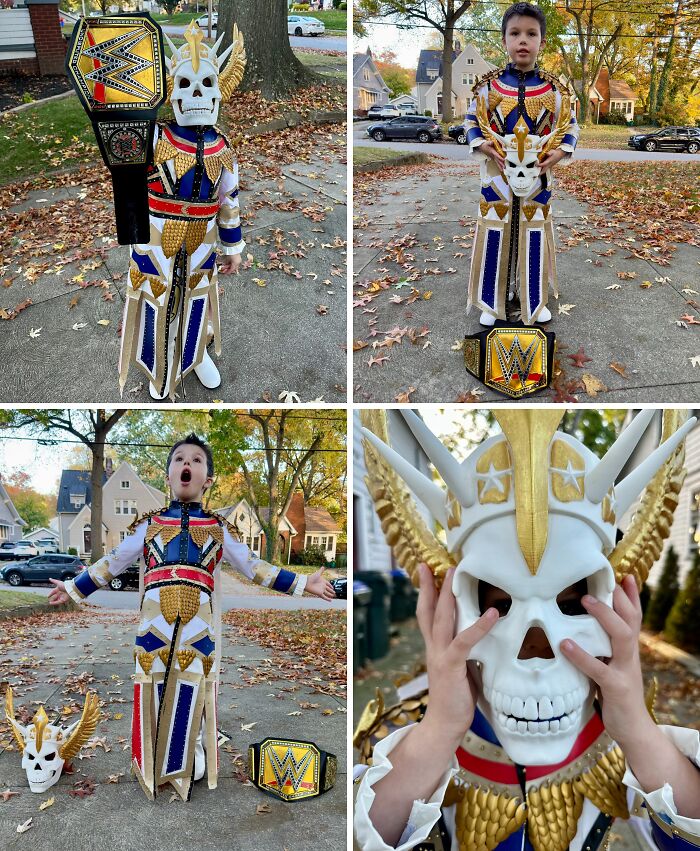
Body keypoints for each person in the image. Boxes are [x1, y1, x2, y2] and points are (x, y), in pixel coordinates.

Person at [355, 409, 700, 850]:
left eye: (573, 603)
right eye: (499, 605)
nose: (536, 654)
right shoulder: (401, 737)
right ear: (451, 607)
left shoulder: (621, 746)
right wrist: (439, 729)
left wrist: (635, 727)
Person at [48, 433, 335, 801]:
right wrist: (74, 588)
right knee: (151, 682)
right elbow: (113, 561)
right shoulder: (147, 525)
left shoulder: (218, 528)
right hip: (153, 623)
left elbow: (254, 567)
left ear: (208, 480)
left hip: (199, 625)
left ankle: (189, 757)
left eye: (196, 460)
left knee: (194, 685)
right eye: (179, 459)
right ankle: (149, 759)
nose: (187, 464)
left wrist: (302, 582)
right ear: (168, 476)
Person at [119, 22, 247, 400]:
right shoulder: (153, 137)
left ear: (220, 91)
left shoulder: (223, 146)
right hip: (155, 235)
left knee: (196, 296)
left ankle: (196, 354)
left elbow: (229, 199)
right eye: (185, 84)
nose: (196, 94)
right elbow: (122, 165)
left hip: (204, 239)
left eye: (206, 84)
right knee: (158, 297)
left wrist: (233, 246)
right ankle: (158, 369)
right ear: (169, 93)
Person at [464, 2, 578, 327]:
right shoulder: (487, 88)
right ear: (504, 40)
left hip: (538, 177)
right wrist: (483, 145)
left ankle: (534, 300)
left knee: (535, 232)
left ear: (542, 41)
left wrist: (561, 152)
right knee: (494, 232)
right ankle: (492, 301)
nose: (522, 40)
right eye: (515, 33)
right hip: (497, 177)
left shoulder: (556, 91)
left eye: (531, 33)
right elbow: (471, 119)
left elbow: (570, 126)